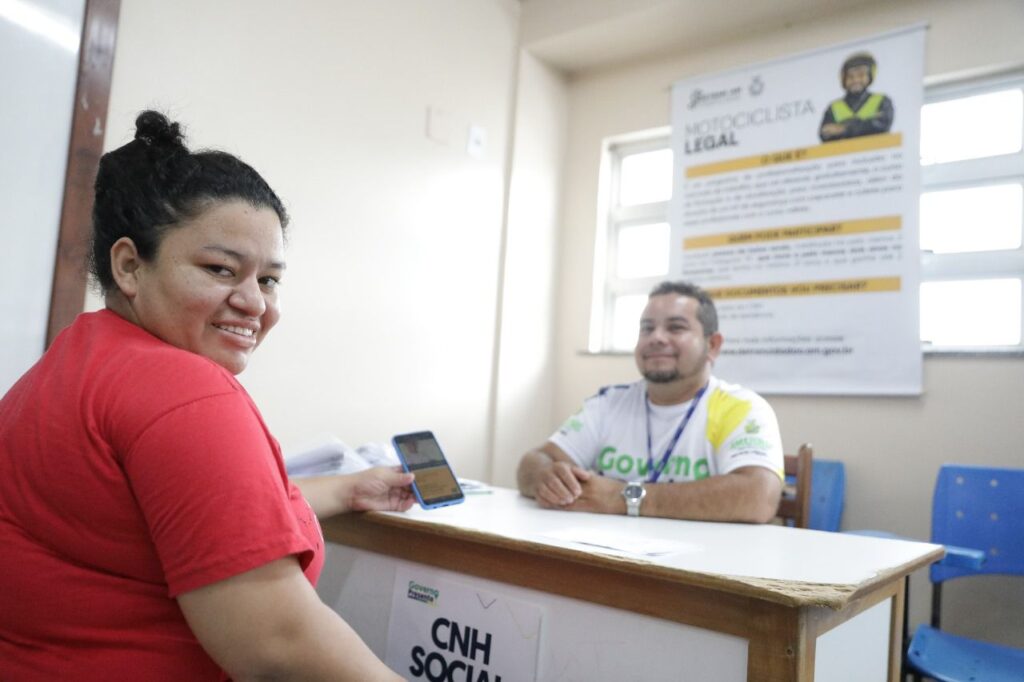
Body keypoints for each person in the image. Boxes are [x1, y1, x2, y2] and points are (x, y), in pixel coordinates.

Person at [0, 111, 413, 681]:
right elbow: (279, 646)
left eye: (268, 280)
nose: (254, 303)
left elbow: (185, 514)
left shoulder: (73, 362)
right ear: (129, 266)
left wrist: (347, 489)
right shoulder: (182, 392)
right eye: (221, 269)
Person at [517, 281, 783, 522]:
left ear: (712, 345)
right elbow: (535, 460)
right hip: (609, 559)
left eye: (676, 327)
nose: (656, 337)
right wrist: (546, 477)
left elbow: (759, 497)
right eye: (647, 328)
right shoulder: (608, 403)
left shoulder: (743, 408)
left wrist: (623, 497)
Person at [818, 51, 894, 142]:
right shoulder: (834, 107)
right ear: (844, 79)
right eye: (850, 76)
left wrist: (844, 128)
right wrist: (865, 124)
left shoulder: (881, 100)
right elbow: (825, 133)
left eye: (861, 75)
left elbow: (881, 125)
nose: (855, 80)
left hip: (876, 153)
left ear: (870, 76)